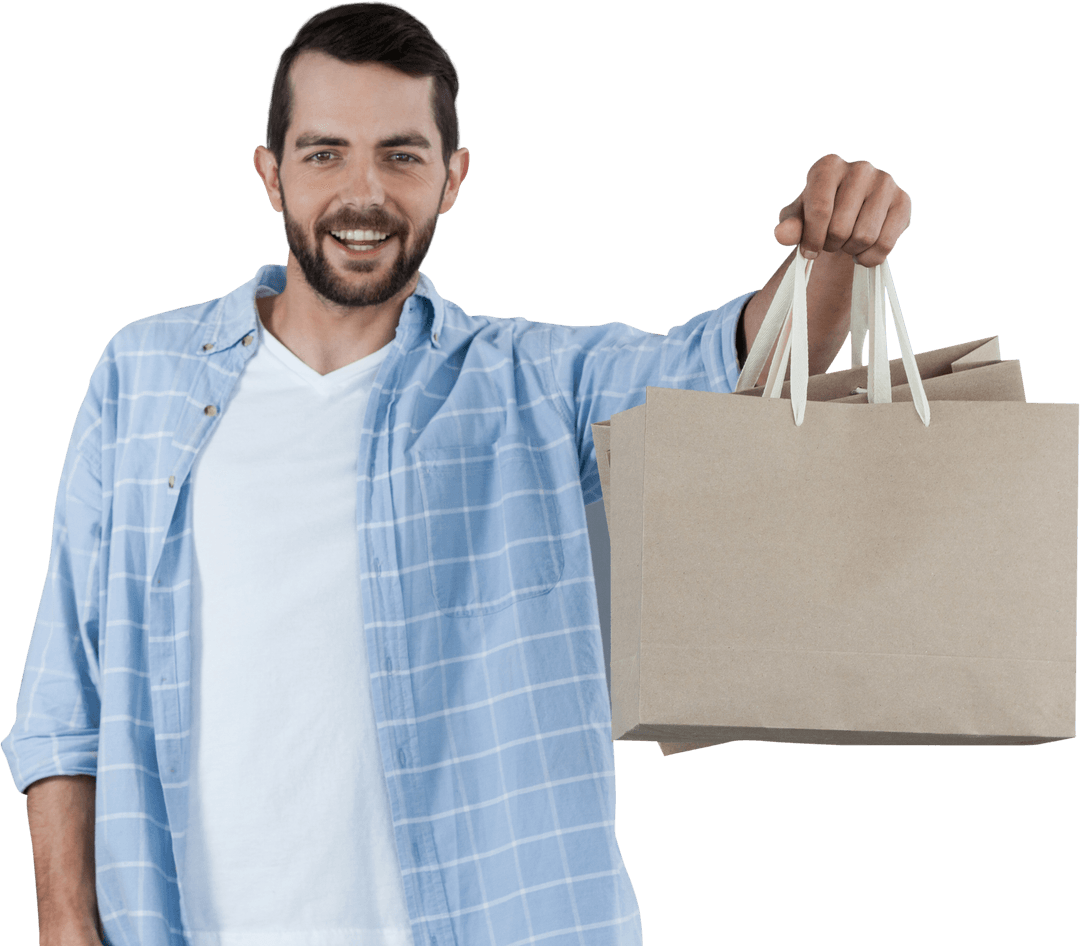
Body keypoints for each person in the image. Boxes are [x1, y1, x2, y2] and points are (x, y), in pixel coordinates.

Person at [1, 3, 911, 945]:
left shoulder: (530, 384)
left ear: (453, 179)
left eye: (401, 154)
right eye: (324, 154)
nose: (363, 193)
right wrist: (66, 923)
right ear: (270, 174)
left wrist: (826, 260)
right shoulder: (144, 375)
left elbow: (725, 374)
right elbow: (67, 689)